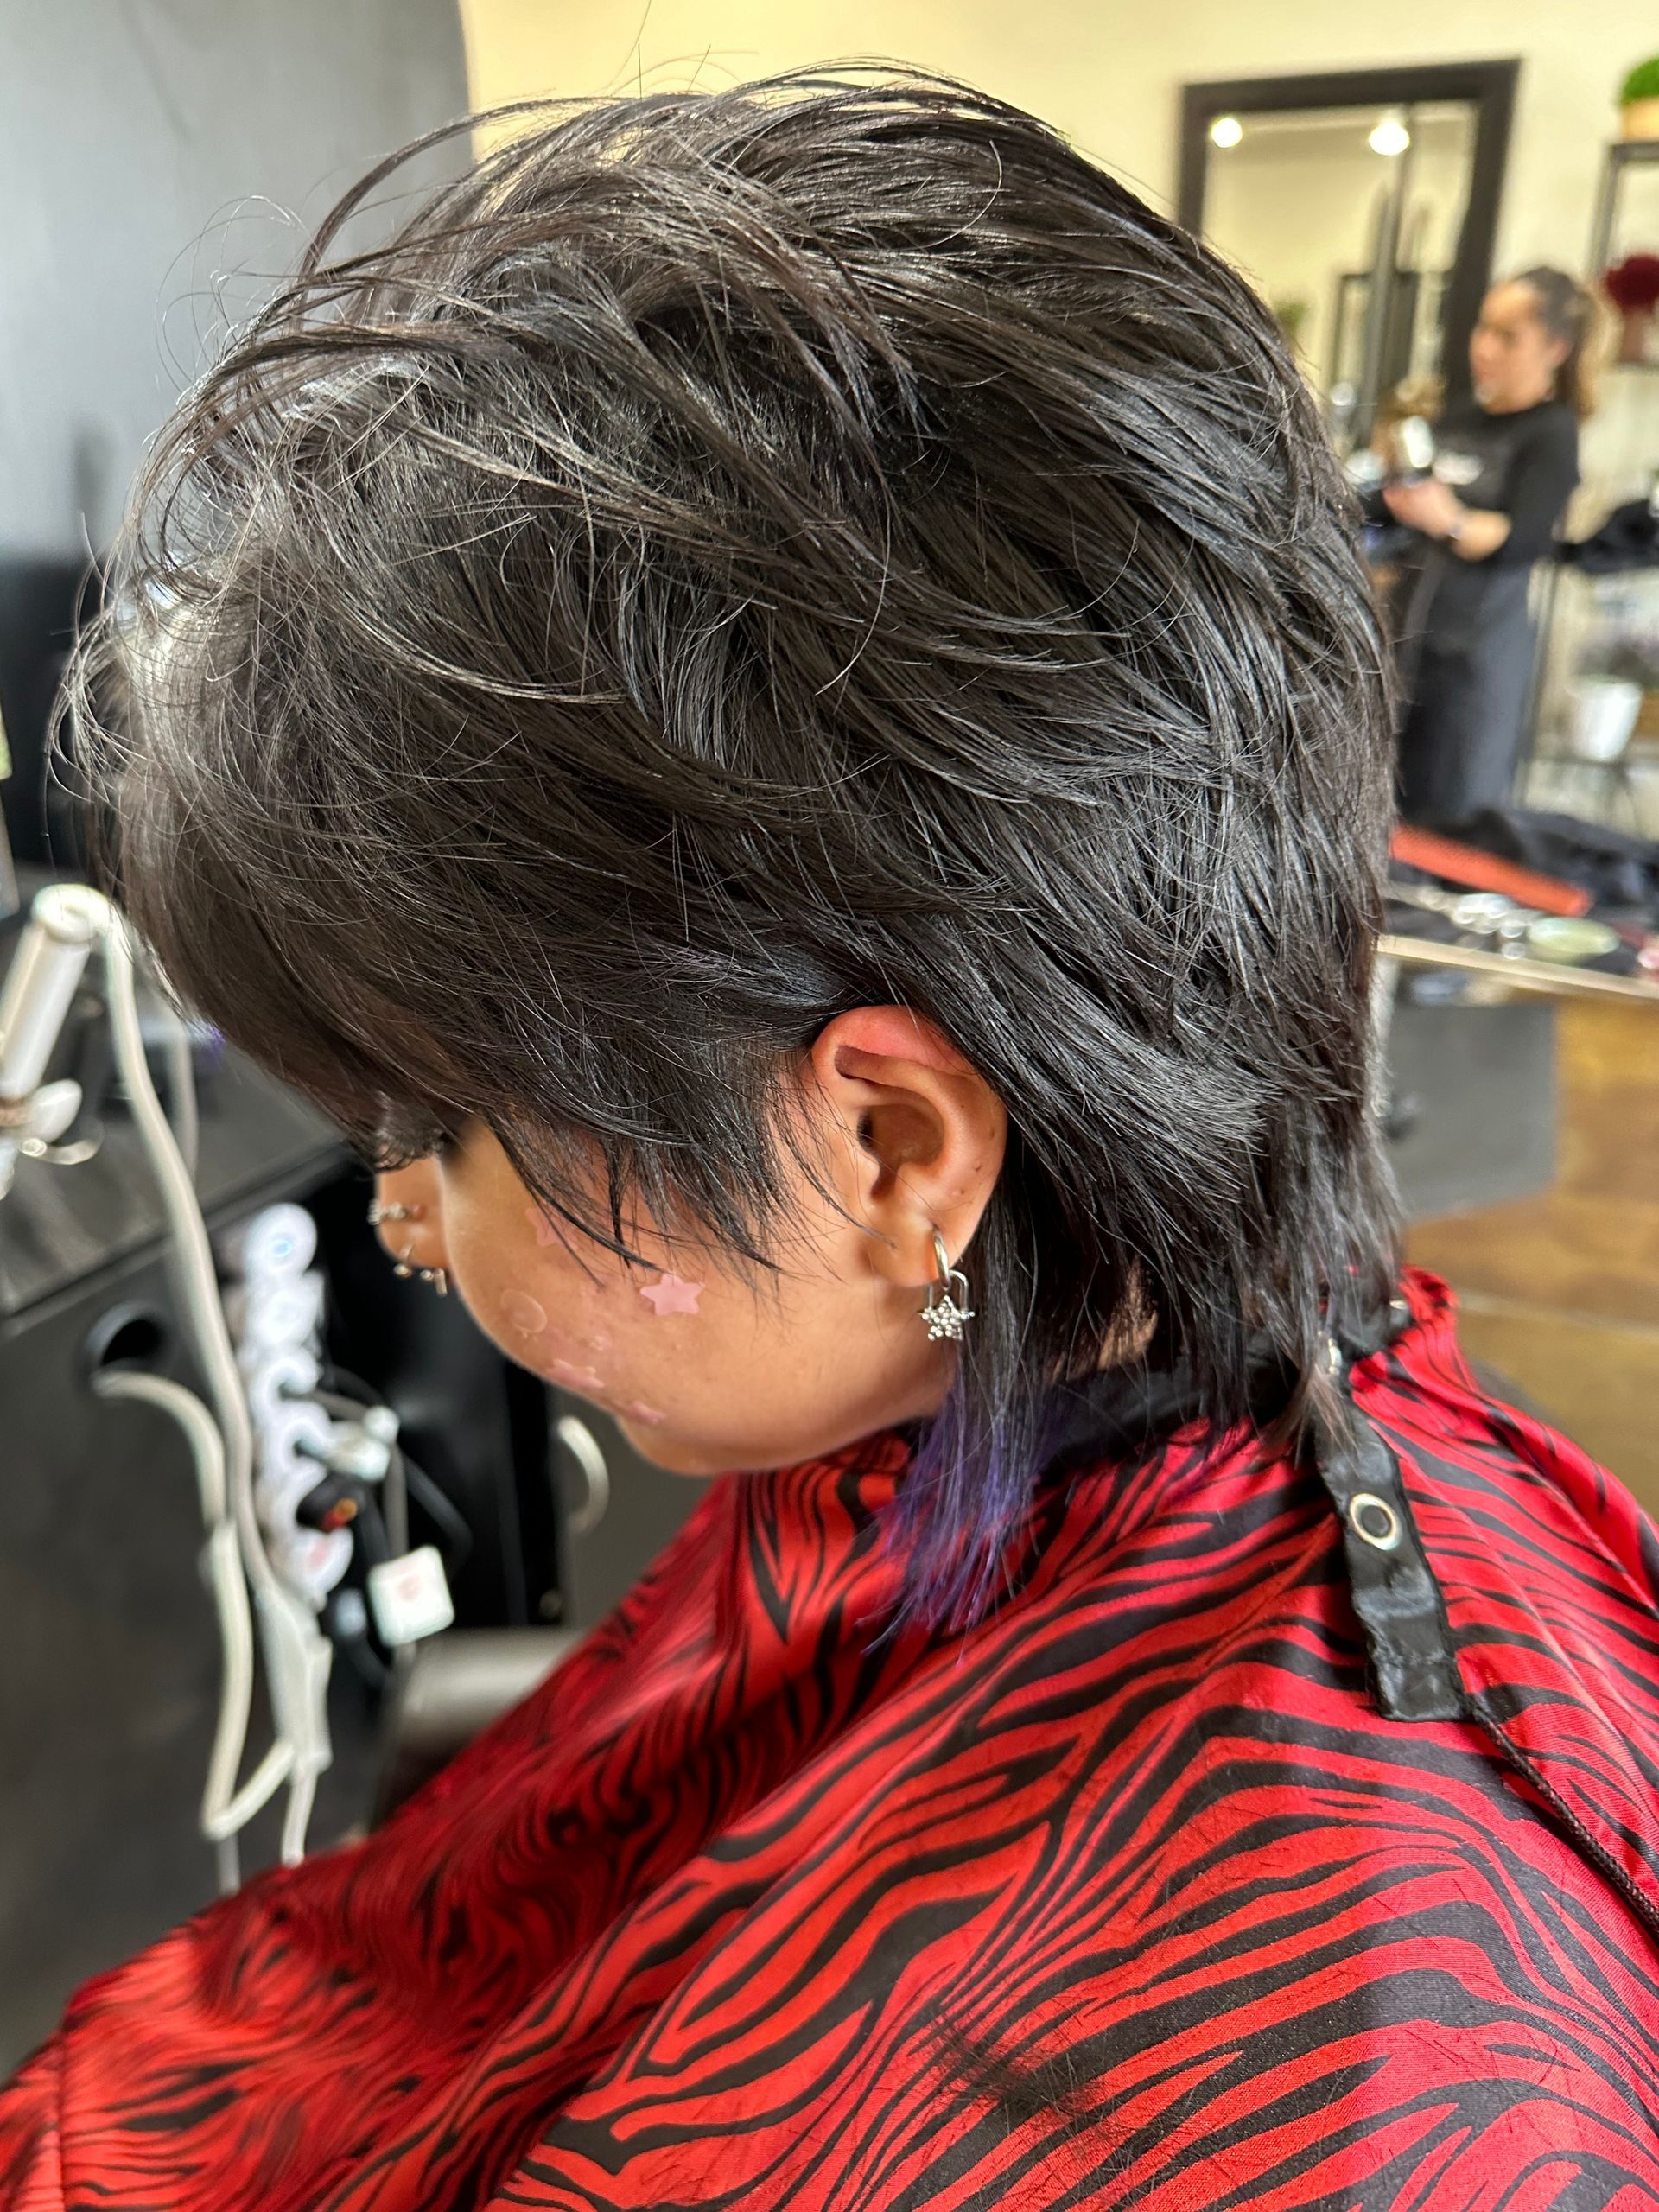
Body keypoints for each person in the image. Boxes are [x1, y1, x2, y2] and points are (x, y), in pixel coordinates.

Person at [6, 69, 1659, 2209]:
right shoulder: (1043, 1365)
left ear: (892, 1142)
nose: (400, 1205)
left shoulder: (1357, 2094)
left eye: (440, 1118)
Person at [1384, 267, 1595, 826]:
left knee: (1452, 825)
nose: (1486, 348)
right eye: (1484, 329)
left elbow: (1525, 539)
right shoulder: (1457, 421)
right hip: (1409, 650)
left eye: (1508, 337)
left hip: (1475, 668)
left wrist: (1448, 519)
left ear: (1554, 348)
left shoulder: (1551, 433)